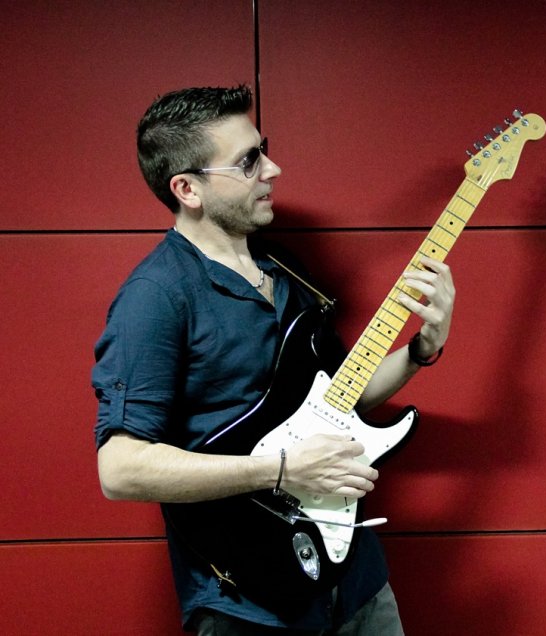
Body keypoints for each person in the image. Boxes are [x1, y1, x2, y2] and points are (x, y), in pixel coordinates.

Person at [92, 85, 455, 634]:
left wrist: (421, 350)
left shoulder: (285, 270)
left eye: (264, 150)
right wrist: (281, 469)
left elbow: (339, 397)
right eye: (248, 161)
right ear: (187, 188)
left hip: (358, 581)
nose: (273, 169)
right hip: (250, 602)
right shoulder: (156, 297)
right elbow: (120, 470)